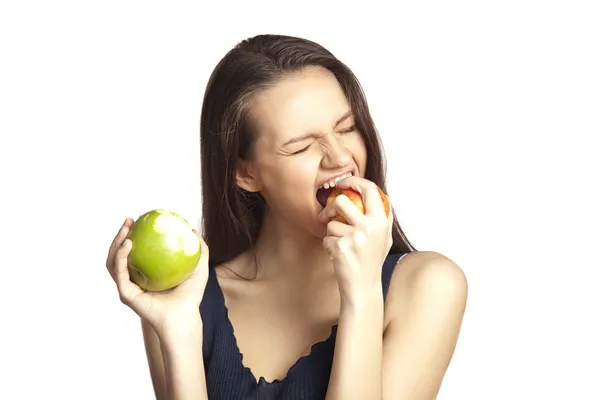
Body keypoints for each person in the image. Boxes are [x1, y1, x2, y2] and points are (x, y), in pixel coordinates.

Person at [105, 34, 468, 400]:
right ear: (245, 173)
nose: (339, 157)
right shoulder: (185, 298)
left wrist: (362, 292)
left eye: (346, 128)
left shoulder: (428, 286)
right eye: (303, 147)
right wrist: (179, 333)